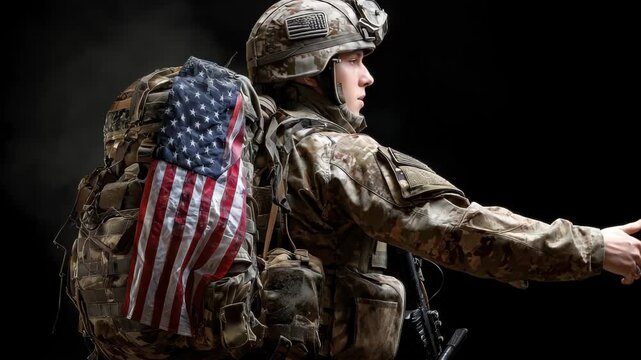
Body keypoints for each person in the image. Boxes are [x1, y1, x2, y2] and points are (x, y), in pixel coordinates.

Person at [245, 0, 641, 358]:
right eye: (352, 60)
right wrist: (593, 246)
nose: (366, 77)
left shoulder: (245, 152)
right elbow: (461, 231)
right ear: (311, 73)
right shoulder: (335, 154)